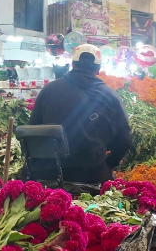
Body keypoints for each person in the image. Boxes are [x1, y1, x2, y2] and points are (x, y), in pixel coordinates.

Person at [28, 44, 133, 191]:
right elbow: (125, 140)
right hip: (91, 174)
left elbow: (32, 132)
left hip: (48, 174)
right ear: (98, 69)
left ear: (72, 64)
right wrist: (109, 163)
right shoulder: (110, 96)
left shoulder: (48, 90)